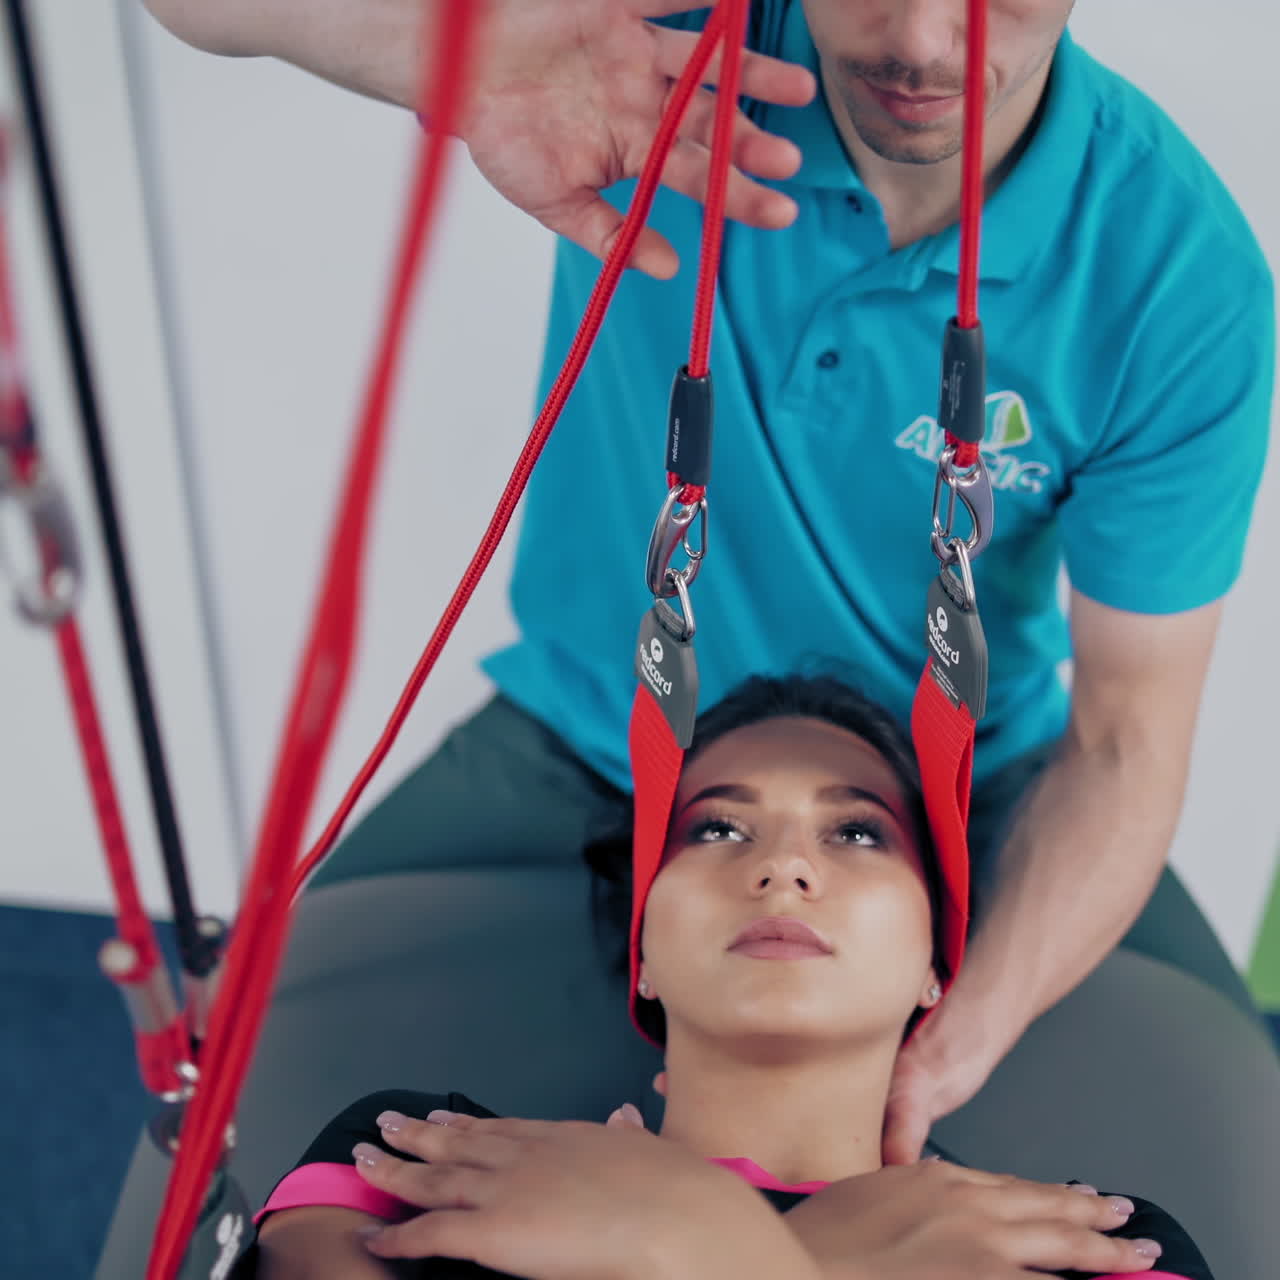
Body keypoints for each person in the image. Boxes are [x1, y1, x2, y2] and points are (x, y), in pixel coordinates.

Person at [142, 0, 1275, 1164]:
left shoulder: (1178, 282)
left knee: (1227, 1162)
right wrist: (464, 51)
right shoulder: (660, 40)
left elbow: (1122, 743)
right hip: (585, 736)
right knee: (229, 1107)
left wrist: (951, 1046)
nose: (928, 45)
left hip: (961, 799)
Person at [238, 675, 1209, 1279]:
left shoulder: (1097, 1244)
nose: (782, 865)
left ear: (933, 963)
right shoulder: (415, 1159)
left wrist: (686, 1242)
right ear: (645, 952)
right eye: (716, 827)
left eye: (856, 830)